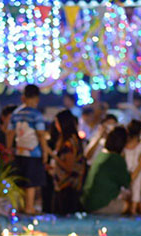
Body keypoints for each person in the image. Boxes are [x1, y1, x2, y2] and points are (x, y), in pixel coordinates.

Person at [8, 84, 50, 215]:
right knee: (31, 182)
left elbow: (9, 133)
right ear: (37, 99)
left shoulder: (16, 113)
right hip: (33, 153)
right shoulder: (36, 115)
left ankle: (20, 206)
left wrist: (9, 149)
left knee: (21, 180)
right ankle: (29, 207)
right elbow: (41, 134)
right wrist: (45, 152)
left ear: (23, 98)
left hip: (19, 152)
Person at [81, 126, 131, 215]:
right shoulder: (116, 159)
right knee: (128, 205)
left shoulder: (101, 155)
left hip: (86, 201)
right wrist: (140, 164)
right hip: (99, 204)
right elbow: (127, 182)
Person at [49, 109, 86, 215]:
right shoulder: (69, 140)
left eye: (57, 122)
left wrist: (53, 156)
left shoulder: (69, 143)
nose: (56, 125)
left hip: (67, 188)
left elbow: (69, 166)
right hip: (63, 186)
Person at [122, 120, 141, 215]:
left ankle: (134, 207)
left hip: (125, 172)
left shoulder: (123, 146)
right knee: (138, 181)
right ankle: (134, 208)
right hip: (137, 172)